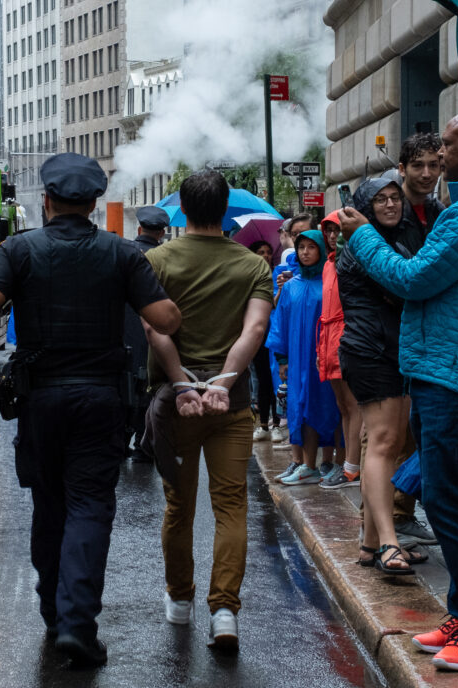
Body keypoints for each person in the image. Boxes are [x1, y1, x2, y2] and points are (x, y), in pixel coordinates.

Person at [0, 154, 180, 667]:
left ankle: (54, 617)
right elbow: (166, 319)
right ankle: (77, 625)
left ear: (48, 200)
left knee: (49, 504)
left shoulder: (19, 249)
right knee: (89, 506)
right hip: (102, 399)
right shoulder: (122, 253)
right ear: (95, 204)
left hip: (41, 400)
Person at [339, 108, 458, 672]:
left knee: (448, 502)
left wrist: (363, 235)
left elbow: (413, 278)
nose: (438, 156)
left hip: (452, 373)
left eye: (447, 146)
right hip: (448, 369)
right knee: (444, 496)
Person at [142, 169, 272, 651]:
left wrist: (181, 383)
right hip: (230, 404)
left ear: (184, 209)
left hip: (176, 407)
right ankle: (224, 611)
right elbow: (254, 331)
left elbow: (156, 332)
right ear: (226, 210)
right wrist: (224, 380)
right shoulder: (252, 266)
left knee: (179, 506)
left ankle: (180, 600)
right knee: (231, 505)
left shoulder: (156, 260)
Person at [338, 177, 427, 574]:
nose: (390, 205)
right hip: (370, 350)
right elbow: (402, 287)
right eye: (380, 200)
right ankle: (389, 543)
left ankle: (371, 545)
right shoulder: (361, 245)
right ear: (364, 206)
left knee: (390, 445)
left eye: (395, 198)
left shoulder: (402, 238)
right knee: (383, 442)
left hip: (396, 350)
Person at [392, 132, 445, 547]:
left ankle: (400, 511)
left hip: (428, 337)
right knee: (390, 434)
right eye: (418, 166)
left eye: (434, 165)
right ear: (402, 168)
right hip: (389, 337)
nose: (427, 173)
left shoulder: (441, 211)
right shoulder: (387, 210)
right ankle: (384, 523)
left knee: (419, 429)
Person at [267, 230, 341, 487]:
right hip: (299, 359)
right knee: (301, 407)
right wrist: (282, 359)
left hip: (324, 357)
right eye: (301, 248)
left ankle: (327, 461)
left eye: (312, 247)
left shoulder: (331, 283)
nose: (306, 252)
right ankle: (307, 464)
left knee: (329, 406)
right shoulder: (290, 287)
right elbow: (280, 324)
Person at [316, 210, 360, 489]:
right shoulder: (328, 264)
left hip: (346, 335)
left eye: (338, 231)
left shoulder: (351, 261)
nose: (333, 236)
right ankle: (349, 466)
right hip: (328, 336)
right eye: (329, 231)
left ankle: (353, 467)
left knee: (353, 404)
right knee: (343, 405)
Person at [124, 205, 170, 463]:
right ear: (161, 233)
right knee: (149, 390)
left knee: (123, 388)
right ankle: (144, 444)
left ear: (139, 229)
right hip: (154, 333)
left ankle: (120, 441)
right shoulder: (166, 257)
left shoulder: (124, 253)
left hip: (122, 332)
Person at [248, 241, 279, 441]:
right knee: (262, 379)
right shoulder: (251, 277)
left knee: (275, 379)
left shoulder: (279, 276)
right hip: (259, 334)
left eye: (268, 252)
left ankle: (277, 423)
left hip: (275, 335)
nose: (265, 255)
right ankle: (264, 424)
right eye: (260, 252)